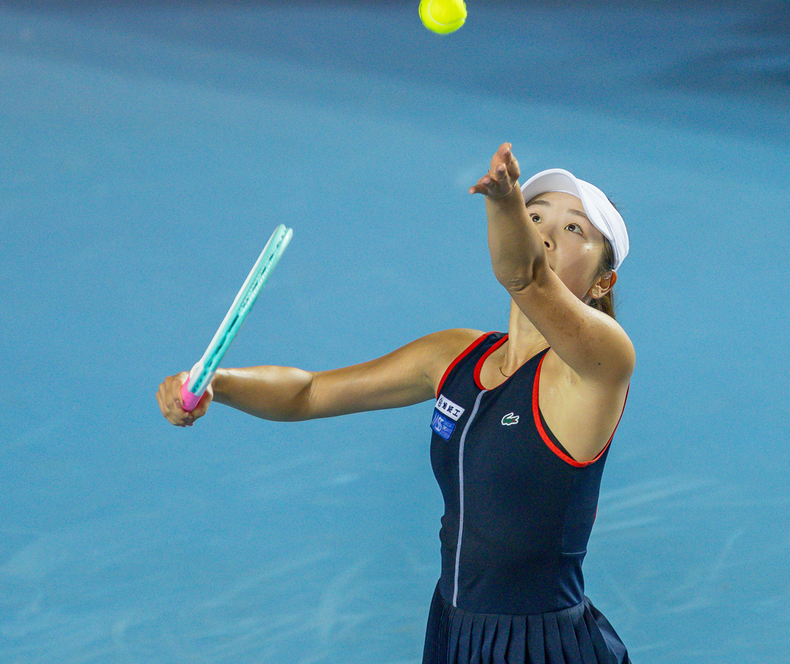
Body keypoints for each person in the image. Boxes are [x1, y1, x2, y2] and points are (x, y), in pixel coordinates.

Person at [157, 143, 635, 664]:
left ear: (603, 281)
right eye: (536, 214)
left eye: (573, 230)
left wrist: (504, 202)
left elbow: (526, 277)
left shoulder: (601, 363)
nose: (544, 231)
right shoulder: (454, 355)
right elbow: (308, 392)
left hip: (542, 647)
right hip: (453, 631)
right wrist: (216, 384)